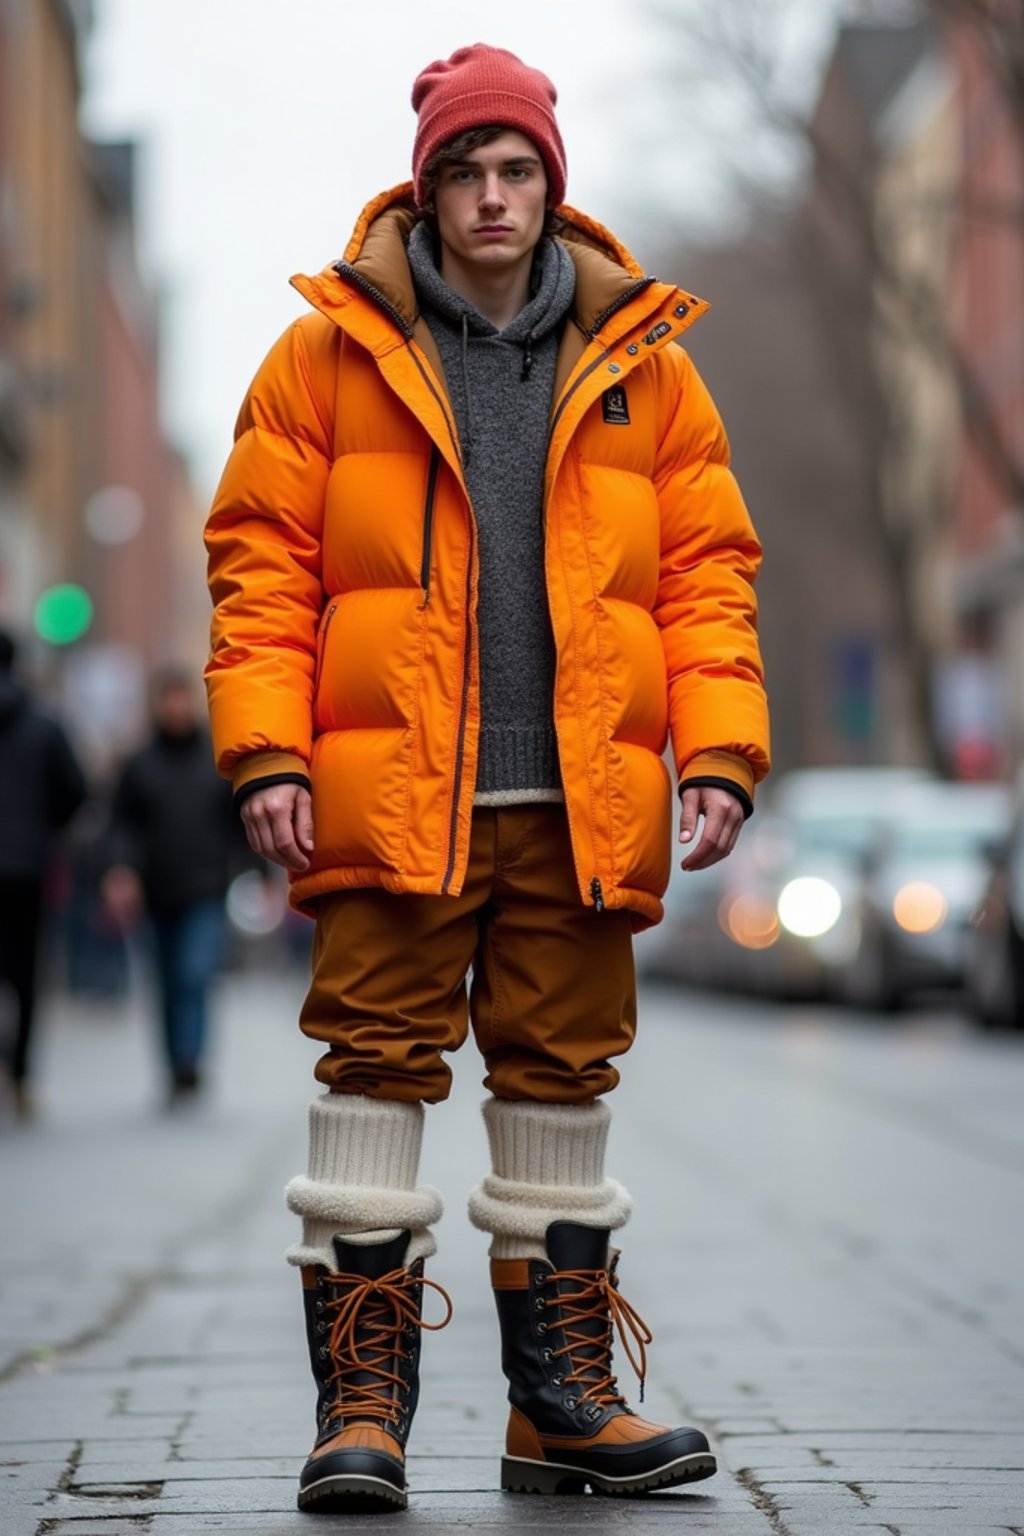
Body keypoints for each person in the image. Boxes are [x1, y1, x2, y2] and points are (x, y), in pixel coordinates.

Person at [204, 44, 771, 1514]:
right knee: (373, 1075)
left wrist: (718, 751)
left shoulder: (651, 363)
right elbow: (260, 570)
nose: (496, 196)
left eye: (519, 170)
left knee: (563, 1081)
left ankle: (559, 1407)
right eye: (469, 172)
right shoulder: (327, 356)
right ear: (430, 186)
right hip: (395, 799)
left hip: (582, 805)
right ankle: (363, 1414)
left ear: (553, 184)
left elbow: (710, 580)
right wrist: (267, 749)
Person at [102, 668, 247, 1103]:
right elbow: (121, 826)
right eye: (168, 699)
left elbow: (238, 822)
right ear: (157, 704)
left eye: (182, 698)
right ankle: (173, 1065)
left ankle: (190, 1059)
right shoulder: (139, 764)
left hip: (205, 888)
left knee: (194, 973)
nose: (176, 707)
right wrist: (119, 870)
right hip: (156, 892)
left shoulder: (217, 758)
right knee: (166, 982)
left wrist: (256, 873)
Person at [0, 629, 87, 1119]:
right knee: (26, 974)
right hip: (28, 866)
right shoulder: (44, 725)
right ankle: (20, 1076)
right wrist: (43, 830)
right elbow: (75, 790)